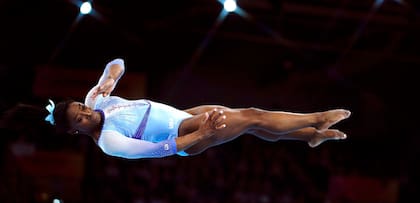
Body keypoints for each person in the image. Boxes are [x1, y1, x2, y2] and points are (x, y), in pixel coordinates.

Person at [3, 58, 351, 159]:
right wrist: (203, 132)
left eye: (79, 106)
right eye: (77, 119)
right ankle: (318, 118)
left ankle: (308, 137)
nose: (84, 113)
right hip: (184, 132)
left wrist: (110, 78)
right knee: (252, 115)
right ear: (74, 131)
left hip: (180, 112)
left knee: (252, 127)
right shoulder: (109, 140)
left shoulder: (98, 100)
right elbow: (161, 149)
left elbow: (117, 63)